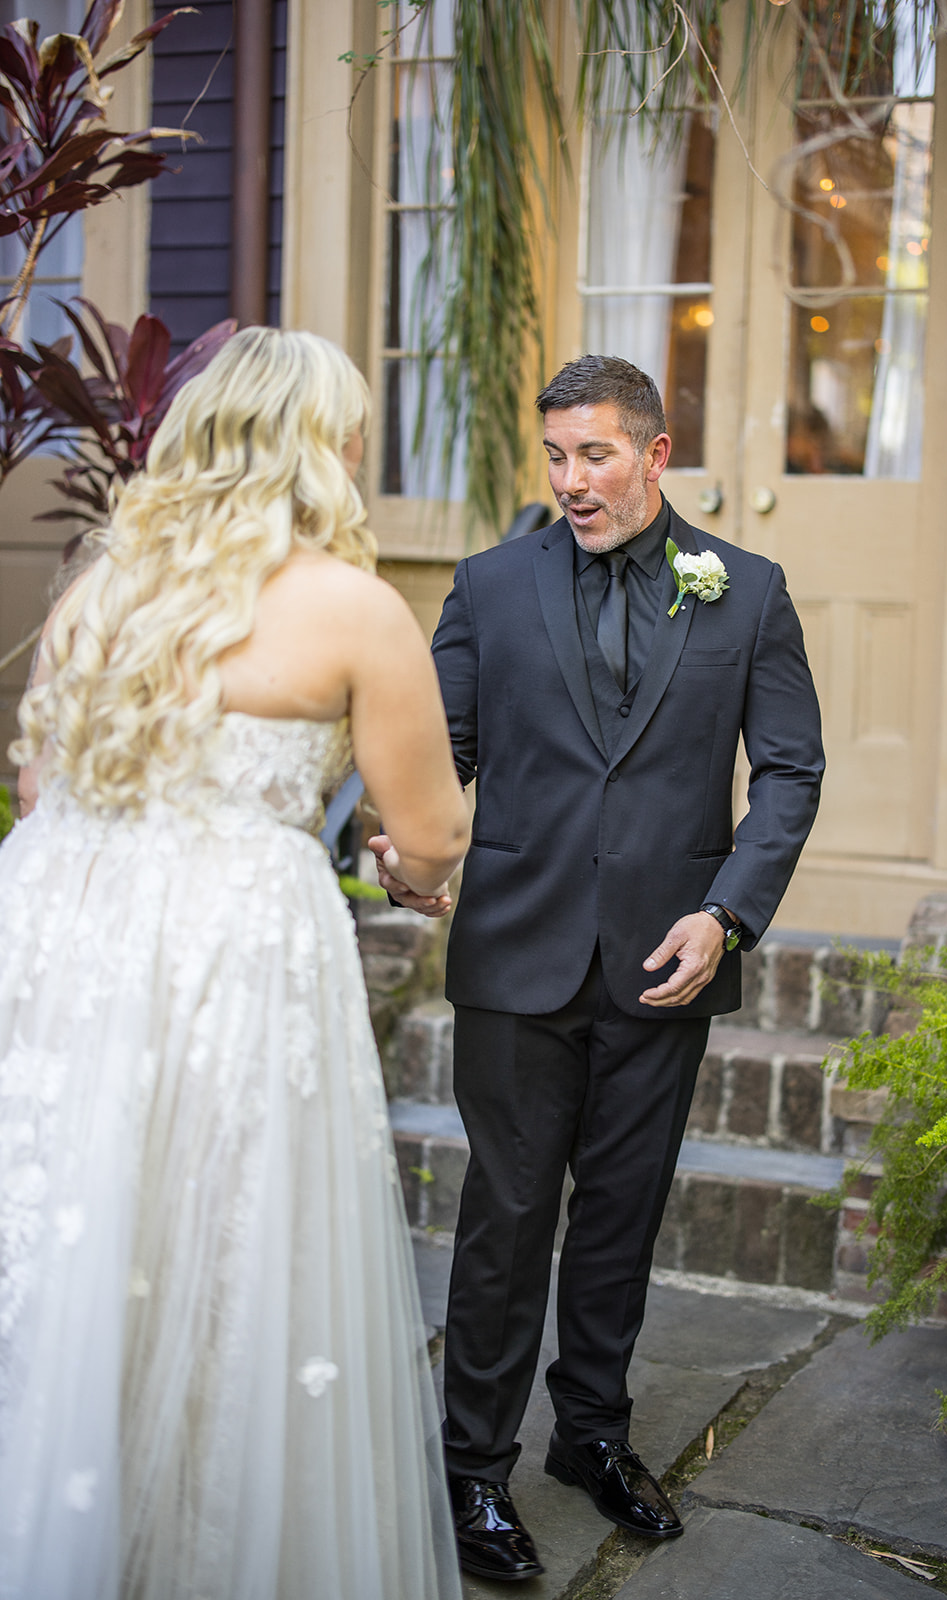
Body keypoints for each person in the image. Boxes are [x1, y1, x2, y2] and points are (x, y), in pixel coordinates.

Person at [0, 328, 470, 1600]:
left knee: (80, 1221)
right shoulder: (353, 606)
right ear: (323, 446)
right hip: (234, 946)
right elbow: (427, 831)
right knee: (226, 1237)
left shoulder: (104, 588)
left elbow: (39, 779)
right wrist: (413, 877)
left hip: (65, 927)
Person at [374, 353, 824, 1582]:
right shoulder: (487, 586)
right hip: (515, 954)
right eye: (555, 456)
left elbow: (788, 769)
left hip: (662, 957)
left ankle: (589, 1436)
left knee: (622, 1215)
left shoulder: (745, 589)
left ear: (654, 452)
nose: (571, 481)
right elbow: (435, 757)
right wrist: (394, 849)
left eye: (595, 455)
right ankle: (474, 1467)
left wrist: (724, 914)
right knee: (507, 1220)